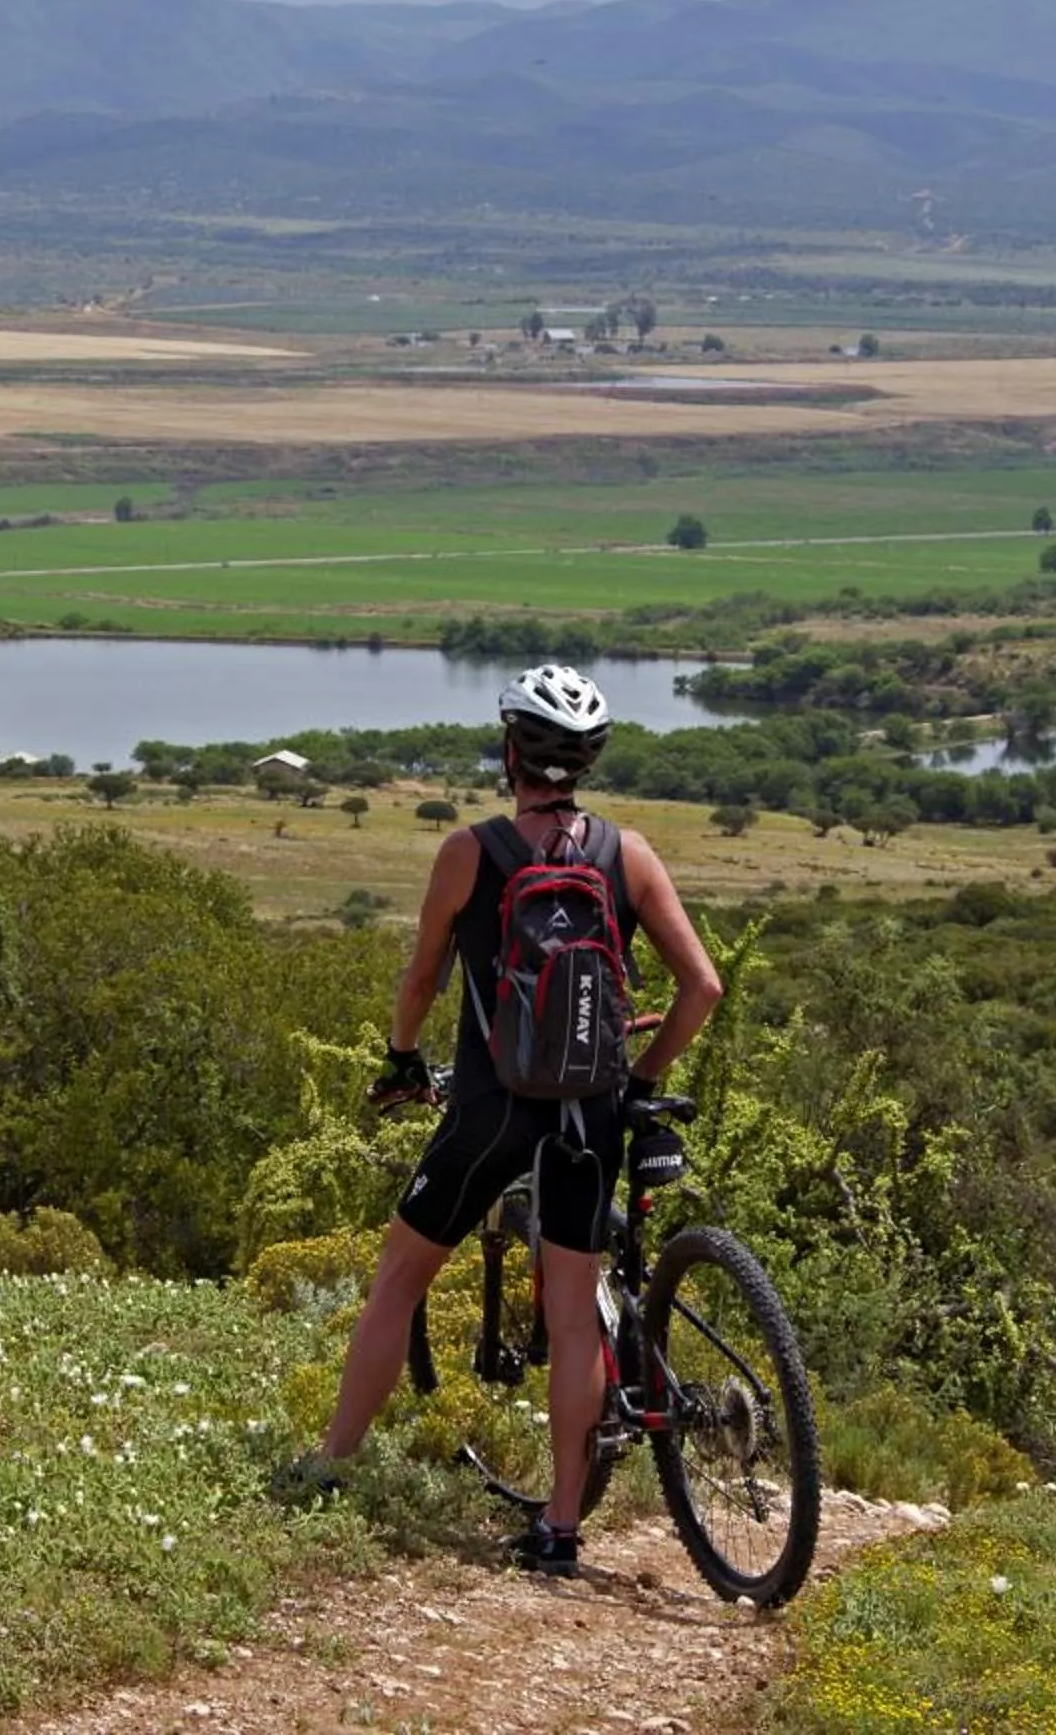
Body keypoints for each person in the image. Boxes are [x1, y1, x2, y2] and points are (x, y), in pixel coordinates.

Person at [311, 663, 726, 1575]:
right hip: (592, 1117)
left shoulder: (473, 851)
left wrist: (402, 1055)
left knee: (399, 1280)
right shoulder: (631, 855)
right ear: (584, 761)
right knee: (577, 1319)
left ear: (510, 751)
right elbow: (703, 988)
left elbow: (422, 977)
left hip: (493, 1112)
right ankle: (561, 1528)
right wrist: (641, 1079)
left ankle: (331, 1469)